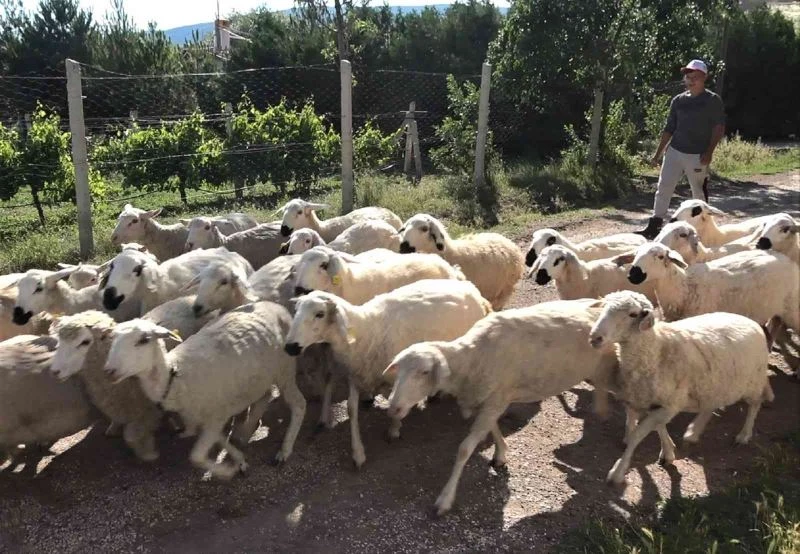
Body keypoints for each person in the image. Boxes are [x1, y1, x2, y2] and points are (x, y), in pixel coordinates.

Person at [635, 59, 726, 239]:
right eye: (688, 76)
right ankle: (655, 224)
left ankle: (703, 228)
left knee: (697, 191)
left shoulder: (712, 100)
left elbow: (719, 128)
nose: (690, 80)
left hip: (697, 155)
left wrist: (709, 152)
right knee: (664, 187)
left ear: (704, 78)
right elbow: (669, 128)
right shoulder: (678, 101)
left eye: (695, 77)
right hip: (675, 151)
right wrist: (658, 154)